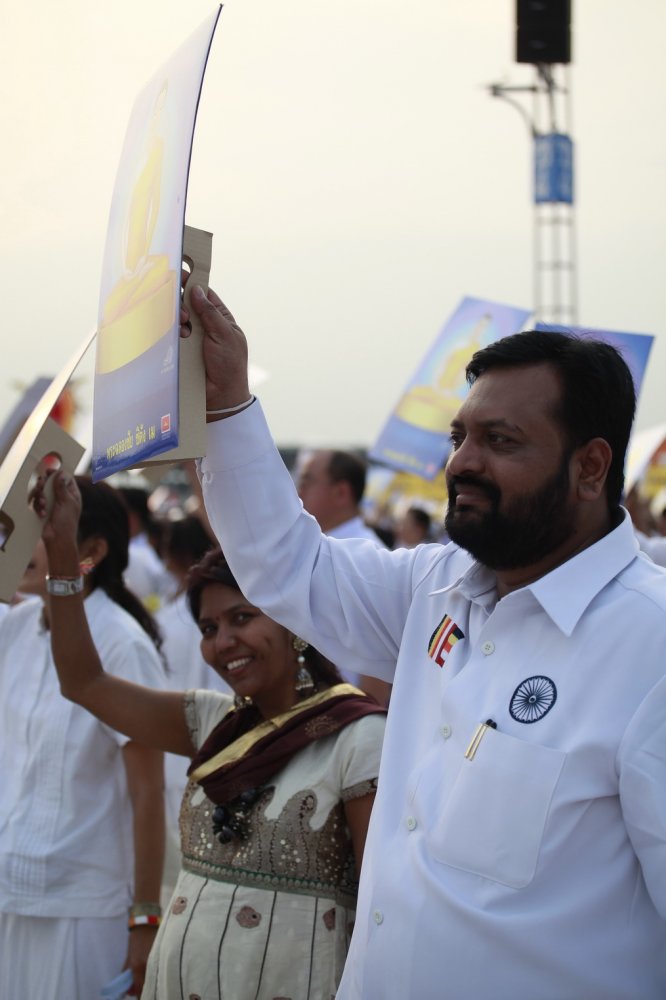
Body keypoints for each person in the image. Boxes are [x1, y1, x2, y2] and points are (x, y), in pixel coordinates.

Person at [183, 283, 666, 1000]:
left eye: (500, 441)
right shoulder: (435, 589)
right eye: (459, 437)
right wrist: (225, 402)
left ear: (590, 467)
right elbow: (285, 564)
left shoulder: (649, 644)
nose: (462, 463)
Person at [34, 477, 387, 1000]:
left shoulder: (357, 737)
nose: (224, 642)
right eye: (208, 629)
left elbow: (383, 907)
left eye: (242, 618)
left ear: (292, 622)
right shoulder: (212, 722)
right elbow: (83, 682)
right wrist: (63, 555)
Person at [0, 477, 165, 1000]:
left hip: (84, 906)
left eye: (42, 529)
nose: (21, 544)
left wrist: (144, 919)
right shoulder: (17, 627)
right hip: (12, 891)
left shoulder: (121, 643)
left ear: (90, 550)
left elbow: (148, 793)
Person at [298, 448, 385, 545]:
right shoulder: (311, 542)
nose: (299, 493)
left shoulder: (365, 550)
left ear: (341, 492)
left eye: (306, 483)